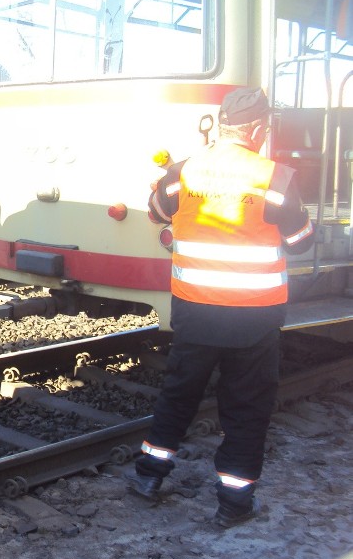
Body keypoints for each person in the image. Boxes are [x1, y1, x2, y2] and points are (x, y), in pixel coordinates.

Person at [126, 87, 315, 527]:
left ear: (223, 125)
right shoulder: (276, 177)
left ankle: (149, 477)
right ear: (256, 129)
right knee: (247, 409)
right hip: (254, 317)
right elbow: (301, 243)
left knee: (178, 395)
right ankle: (233, 505)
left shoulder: (182, 172)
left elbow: (155, 213)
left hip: (196, 311)